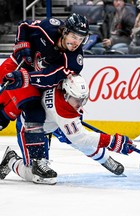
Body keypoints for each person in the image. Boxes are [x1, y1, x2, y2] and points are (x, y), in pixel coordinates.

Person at [0, 13, 90, 182]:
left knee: (34, 111)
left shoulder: (74, 61)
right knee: (3, 116)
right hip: (12, 70)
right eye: (74, 36)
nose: (77, 42)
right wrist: (22, 45)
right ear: (64, 31)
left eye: (81, 38)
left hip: (29, 83)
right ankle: (26, 160)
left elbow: (50, 76)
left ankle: (37, 161)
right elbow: (24, 26)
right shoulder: (49, 27)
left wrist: (25, 77)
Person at [0, 74, 133, 184]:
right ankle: (12, 160)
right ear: (66, 94)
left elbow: (78, 138)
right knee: (37, 176)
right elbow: (81, 138)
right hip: (30, 128)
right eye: (76, 100)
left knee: (75, 139)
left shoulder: (64, 93)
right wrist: (112, 141)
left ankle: (105, 160)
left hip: (52, 120)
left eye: (83, 100)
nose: (80, 104)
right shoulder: (63, 110)